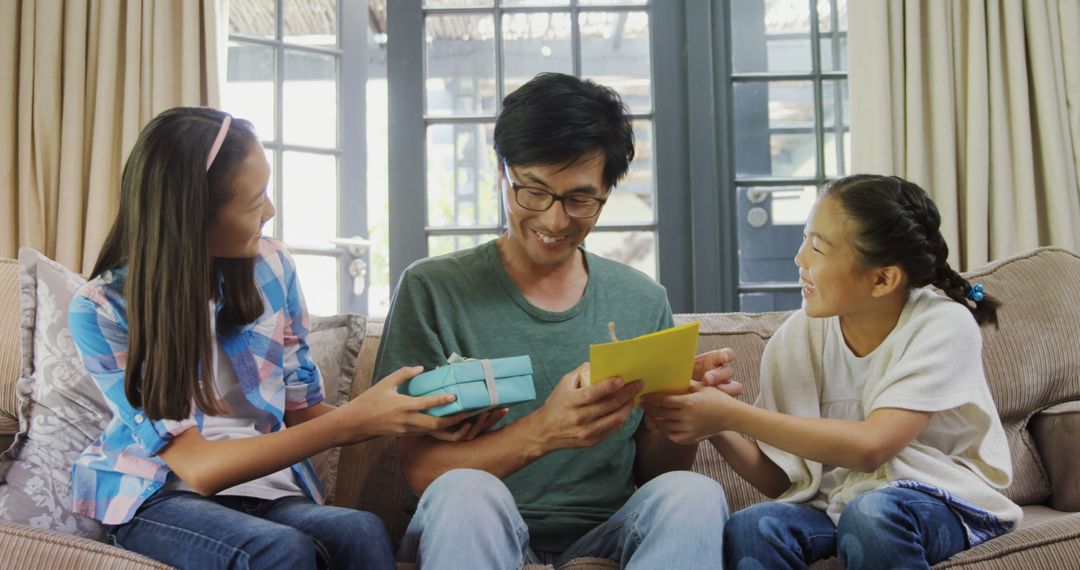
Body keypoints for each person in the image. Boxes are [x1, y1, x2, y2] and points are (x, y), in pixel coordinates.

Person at [69, 107, 476, 570]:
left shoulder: (271, 267)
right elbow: (200, 470)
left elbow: (301, 412)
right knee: (280, 550)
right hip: (160, 495)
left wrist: (410, 415)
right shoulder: (103, 309)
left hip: (265, 492)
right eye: (253, 201)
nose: (271, 210)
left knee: (362, 529)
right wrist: (355, 422)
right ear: (193, 216)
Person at [375, 72, 738, 569]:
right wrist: (545, 430)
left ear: (607, 189)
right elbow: (421, 472)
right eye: (533, 192)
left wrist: (676, 417)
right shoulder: (432, 289)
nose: (553, 220)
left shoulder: (642, 300)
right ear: (501, 172)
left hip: (606, 533)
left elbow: (656, 475)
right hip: (474, 525)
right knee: (463, 490)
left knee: (692, 493)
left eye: (579, 200)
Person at [641, 174, 1021, 569]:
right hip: (836, 506)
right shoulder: (797, 339)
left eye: (817, 248)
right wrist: (714, 422)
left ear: (882, 279)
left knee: (873, 514)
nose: (799, 258)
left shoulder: (942, 326)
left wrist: (735, 415)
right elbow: (784, 481)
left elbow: (873, 446)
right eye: (805, 239)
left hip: (944, 502)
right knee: (753, 525)